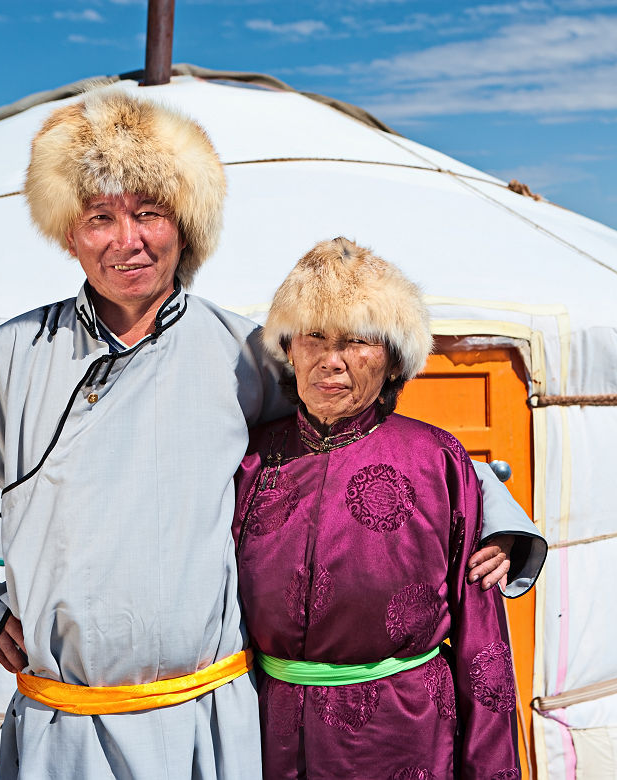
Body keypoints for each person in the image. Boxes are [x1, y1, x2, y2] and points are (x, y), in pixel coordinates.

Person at [0, 89, 540, 778]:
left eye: (149, 214)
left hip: (211, 723)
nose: (126, 240)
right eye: (99, 217)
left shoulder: (242, 353)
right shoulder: (10, 358)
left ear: (185, 225)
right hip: (68, 722)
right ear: (68, 233)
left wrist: (496, 518)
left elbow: (357, 435)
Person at [233, 237, 522, 778]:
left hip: (404, 733)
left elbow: (484, 647)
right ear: (288, 349)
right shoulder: (248, 457)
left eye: (358, 340)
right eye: (313, 336)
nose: (330, 359)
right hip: (268, 728)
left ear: (392, 361)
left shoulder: (438, 461)